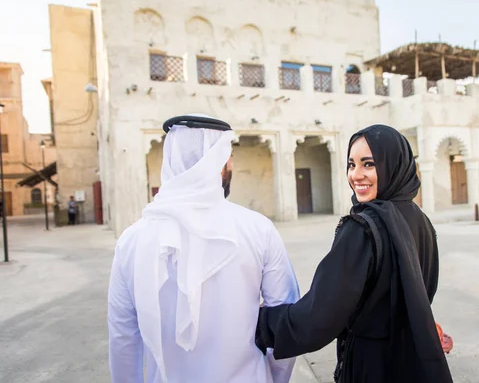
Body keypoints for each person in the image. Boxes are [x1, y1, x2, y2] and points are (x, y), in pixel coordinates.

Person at [108, 114, 300, 383]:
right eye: (229, 156)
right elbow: (285, 322)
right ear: (220, 163)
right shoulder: (259, 230)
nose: (231, 164)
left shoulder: (131, 241)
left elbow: (122, 340)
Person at [255, 124, 453, 383]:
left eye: (368, 164)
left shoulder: (361, 229)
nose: (356, 175)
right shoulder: (420, 221)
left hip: (372, 365)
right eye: (351, 164)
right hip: (409, 358)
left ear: (392, 165)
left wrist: (262, 322)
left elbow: (319, 317)